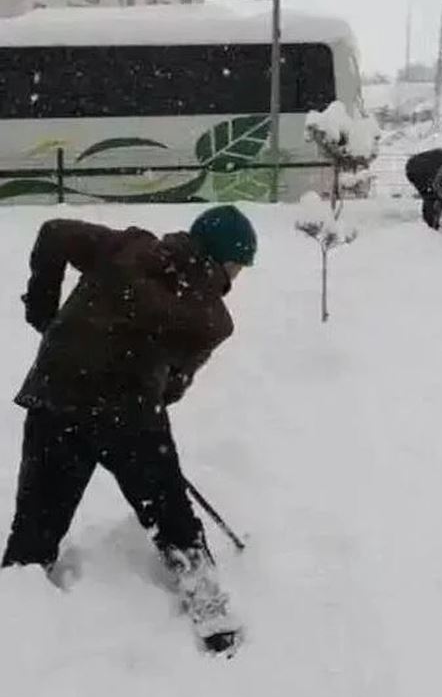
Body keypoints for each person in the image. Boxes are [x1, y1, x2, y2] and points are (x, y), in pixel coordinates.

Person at [5, 206, 256, 653]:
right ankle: (210, 611)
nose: (237, 276)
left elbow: (53, 232)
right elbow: (174, 385)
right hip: (129, 419)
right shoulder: (212, 319)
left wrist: (45, 309)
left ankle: (16, 617)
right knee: (172, 517)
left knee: (35, 530)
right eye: (238, 265)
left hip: (55, 398)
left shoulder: (125, 246)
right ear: (223, 261)